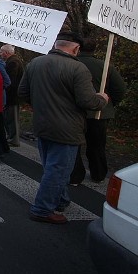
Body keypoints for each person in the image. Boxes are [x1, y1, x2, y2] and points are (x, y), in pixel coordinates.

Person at [18, 31, 108, 224]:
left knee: (52, 166)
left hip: (42, 124)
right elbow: (87, 100)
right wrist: (102, 100)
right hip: (67, 129)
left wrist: (41, 105)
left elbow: (23, 92)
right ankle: (42, 209)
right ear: (76, 48)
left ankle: (60, 199)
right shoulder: (78, 68)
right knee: (58, 170)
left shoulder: (35, 63)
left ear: (56, 44)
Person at [70, 38, 126, 184]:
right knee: (97, 145)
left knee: (74, 145)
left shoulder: (72, 64)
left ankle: (76, 175)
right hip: (99, 113)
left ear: (79, 48)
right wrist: (108, 103)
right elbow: (120, 88)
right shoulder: (105, 66)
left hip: (76, 111)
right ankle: (98, 173)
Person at [0, 44, 24, 147]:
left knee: (12, 118)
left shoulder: (13, 63)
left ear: (6, 52)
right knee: (9, 117)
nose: (0, 54)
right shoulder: (12, 61)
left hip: (12, 96)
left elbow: (10, 81)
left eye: (1, 52)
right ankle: (11, 136)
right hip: (12, 95)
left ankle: (14, 139)